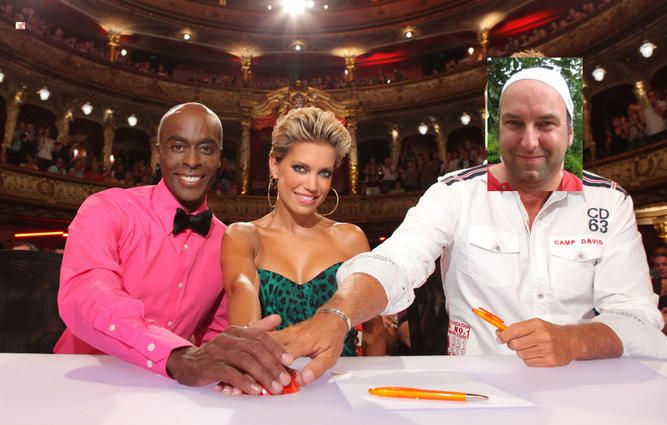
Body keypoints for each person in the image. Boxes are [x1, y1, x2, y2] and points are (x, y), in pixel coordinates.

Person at [271, 67, 667, 386]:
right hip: (479, 391)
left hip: (583, 390)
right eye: (515, 123)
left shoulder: (608, 201)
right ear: (497, 129)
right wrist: (336, 315)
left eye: (546, 123)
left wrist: (573, 340)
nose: (530, 142)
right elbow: (395, 261)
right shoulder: (455, 193)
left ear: (570, 130)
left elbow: (638, 320)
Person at [55, 102, 294, 395]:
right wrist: (178, 356)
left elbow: (215, 335)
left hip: (167, 392)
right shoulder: (106, 209)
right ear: (159, 153)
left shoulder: (228, 242)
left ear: (219, 158)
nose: (192, 160)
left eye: (206, 149)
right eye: (178, 147)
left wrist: (233, 363)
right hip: (81, 383)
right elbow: (89, 296)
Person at [221, 107, 387, 361]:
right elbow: (241, 299)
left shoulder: (351, 239)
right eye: (300, 168)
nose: (312, 185)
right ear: (274, 165)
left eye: (324, 173)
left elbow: (375, 331)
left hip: (343, 380)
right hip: (272, 377)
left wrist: (371, 382)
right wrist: (249, 349)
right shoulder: (244, 236)